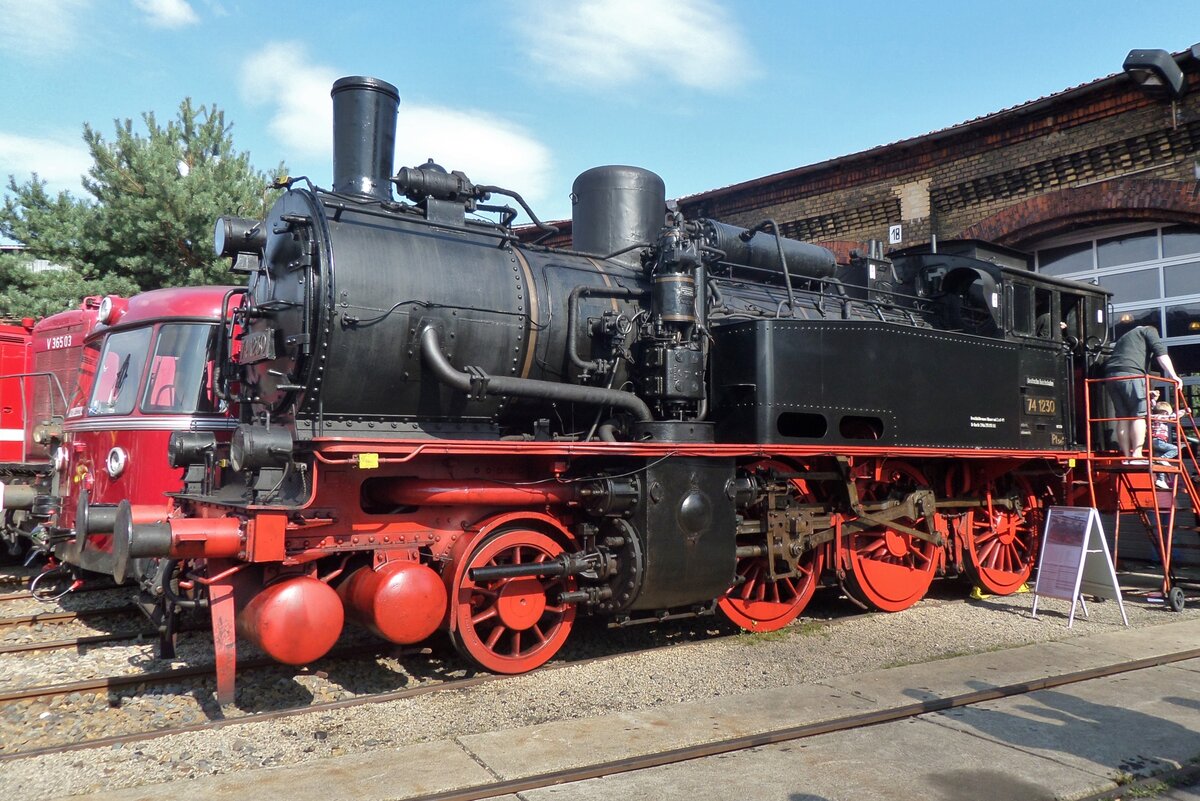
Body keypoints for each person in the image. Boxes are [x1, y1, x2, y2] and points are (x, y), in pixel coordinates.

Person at [1103, 325, 1181, 460]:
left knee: (1123, 417)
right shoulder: (1149, 330)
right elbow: (1160, 353)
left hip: (1111, 376)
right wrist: (1173, 375)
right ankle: (1137, 455)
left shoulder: (1126, 337)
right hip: (1131, 373)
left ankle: (1127, 456)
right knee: (1139, 415)